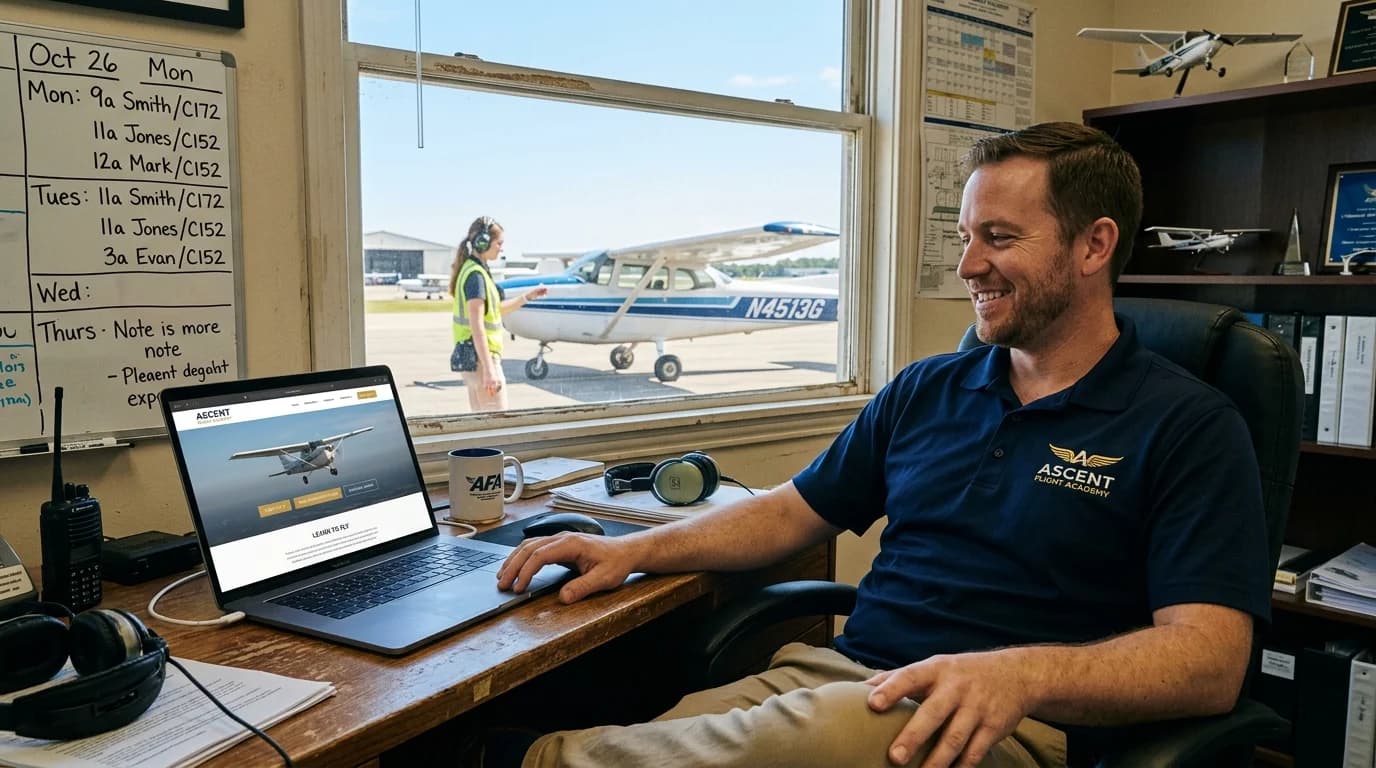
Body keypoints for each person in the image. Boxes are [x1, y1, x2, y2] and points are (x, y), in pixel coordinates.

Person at [491, 122, 1270, 768]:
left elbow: (1209, 661)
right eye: (966, 236)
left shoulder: (1189, 426)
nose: (968, 266)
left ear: (1094, 245)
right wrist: (635, 550)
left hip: (1006, 723)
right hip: (839, 678)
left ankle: (509, 759)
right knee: (683, 724)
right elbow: (790, 513)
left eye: (998, 237)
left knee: (759, 741)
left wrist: (1022, 675)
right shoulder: (927, 389)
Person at [449, 215, 547, 412]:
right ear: (483, 242)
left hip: (475, 360)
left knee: (482, 426)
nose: (501, 248)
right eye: (499, 243)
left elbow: (495, 311)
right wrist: (489, 370)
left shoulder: (474, 271)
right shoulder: (476, 277)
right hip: (481, 361)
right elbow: (477, 326)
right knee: (498, 427)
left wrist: (527, 297)